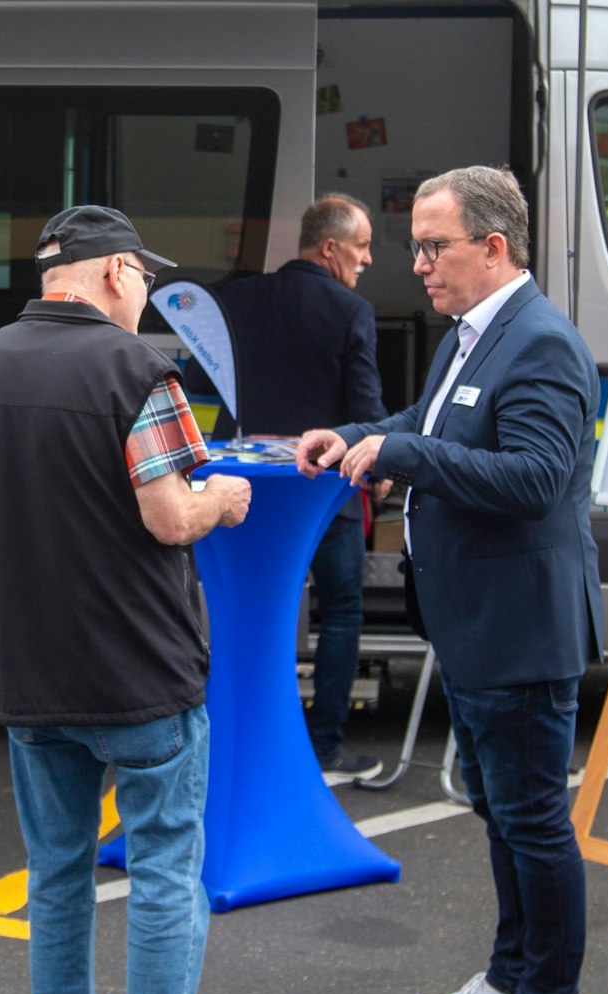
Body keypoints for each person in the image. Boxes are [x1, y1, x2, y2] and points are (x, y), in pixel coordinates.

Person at [0, 204, 266, 994]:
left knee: (56, 872)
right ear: (116, 271)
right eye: (147, 279)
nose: (148, 295)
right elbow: (168, 517)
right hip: (140, 667)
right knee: (164, 867)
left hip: (27, 670)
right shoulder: (141, 370)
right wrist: (222, 497)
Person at [296, 165, 603, 994]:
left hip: (520, 624)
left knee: (533, 816)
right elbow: (432, 422)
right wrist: (359, 437)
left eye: (434, 246)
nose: (418, 265)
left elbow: (537, 478)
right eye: (416, 246)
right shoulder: (471, 336)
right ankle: (512, 976)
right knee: (501, 812)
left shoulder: (542, 342)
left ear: (493, 248)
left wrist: (406, 452)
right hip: (475, 622)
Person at [207, 194, 387, 777]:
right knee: (339, 612)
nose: (366, 262)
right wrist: (379, 474)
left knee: (256, 609)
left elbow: (201, 382)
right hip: (323, 495)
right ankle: (325, 746)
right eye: (361, 248)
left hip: (246, 490)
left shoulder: (234, 299)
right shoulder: (350, 312)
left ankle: (248, 738)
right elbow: (366, 410)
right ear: (330, 247)